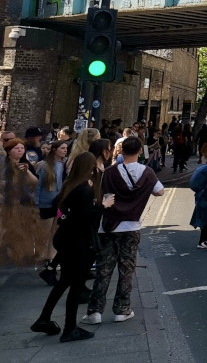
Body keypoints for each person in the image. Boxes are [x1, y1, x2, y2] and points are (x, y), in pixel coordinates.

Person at [81, 136, 164, 327]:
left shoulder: (109, 172)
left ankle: (94, 311)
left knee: (104, 269)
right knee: (126, 269)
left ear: (121, 151)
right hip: (131, 227)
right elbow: (160, 192)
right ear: (140, 151)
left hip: (108, 225)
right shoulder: (148, 173)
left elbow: (99, 192)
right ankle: (122, 309)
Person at [31, 153, 110, 343]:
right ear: (90, 168)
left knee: (64, 282)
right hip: (77, 244)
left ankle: (43, 319)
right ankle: (70, 328)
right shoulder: (84, 190)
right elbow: (84, 220)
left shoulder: (70, 185)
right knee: (75, 286)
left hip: (65, 240)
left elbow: (63, 211)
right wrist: (102, 207)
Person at [1, 138, 41, 266]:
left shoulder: (25, 164)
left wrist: (27, 171)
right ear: (8, 151)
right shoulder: (3, 164)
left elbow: (35, 182)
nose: (20, 151)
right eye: (16, 148)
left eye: (22, 148)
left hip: (22, 203)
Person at [35, 139, 69, 284]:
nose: (65, 150)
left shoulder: (62, 165)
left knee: (55, 232)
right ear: (55, 150)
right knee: (45, 232)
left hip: (57, 203)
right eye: (62, 148)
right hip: (45, 203)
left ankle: (51, 260)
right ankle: (45, 259)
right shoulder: (44, 166)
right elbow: (38, 186)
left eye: (66, 148)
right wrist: (35, 204)